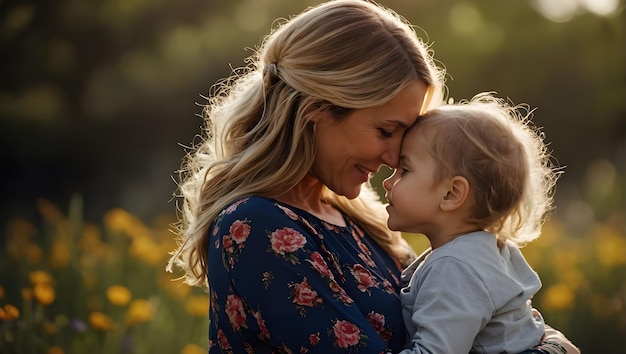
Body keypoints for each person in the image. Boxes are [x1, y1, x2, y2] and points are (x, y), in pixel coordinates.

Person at [166, 1, 579, 352]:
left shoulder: (357, 217)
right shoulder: (258, 227)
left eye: (405, 134)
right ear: (318, 111)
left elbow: (502, 323)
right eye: (386, 130)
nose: (394, 154)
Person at [383, 92, 579, 353]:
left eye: (404, 171)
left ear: (452, 194)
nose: (388, 182)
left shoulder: (455, 267)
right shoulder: (488, 250)